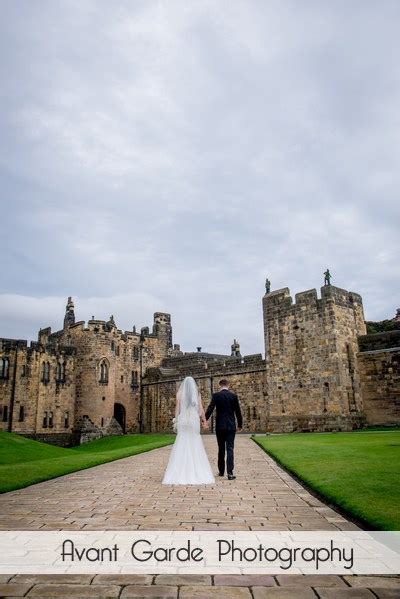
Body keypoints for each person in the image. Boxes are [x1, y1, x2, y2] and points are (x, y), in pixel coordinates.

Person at [162, 376, 215, 485]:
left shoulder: (179, 394)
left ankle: (179, 472)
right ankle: (196, 471)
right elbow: (200, 409)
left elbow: (177, 408)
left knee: (181, 441)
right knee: (194, 442)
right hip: (193, 420)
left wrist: (176, 420)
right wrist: (204, 421)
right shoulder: (197, 394)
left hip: (183, 419)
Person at [205, 379, 242, 480]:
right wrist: (240, 425)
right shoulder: (233, 396)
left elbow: (210, 408)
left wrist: (204, 419)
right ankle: (230, 473)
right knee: (230, 448)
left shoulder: (216, 396)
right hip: (231, 426)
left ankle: (221, 471)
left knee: (221, 449)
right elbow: (238, 411)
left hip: (220, 426)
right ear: (228, 385)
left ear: (220, 385)